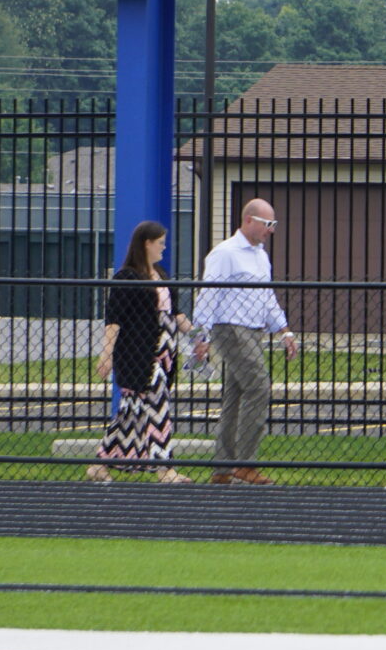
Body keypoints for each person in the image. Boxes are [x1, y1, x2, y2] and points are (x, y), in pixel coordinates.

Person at [190, 197, 300, 484]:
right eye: (267, 224)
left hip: (252, 330)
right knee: (259, 387)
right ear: (249, 220)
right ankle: (244, 464)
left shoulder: (261, 256)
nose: (271, 230)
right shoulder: (225, 253)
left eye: (273, 224)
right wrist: (201, 336)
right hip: (230, 328)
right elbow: (208, 294)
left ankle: (223, 468)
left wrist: (284, 330)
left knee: (235, 397)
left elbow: (267, 297)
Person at [92, 220, 191, 484]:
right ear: (146, 244)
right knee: (159, 409)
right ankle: (165, 469)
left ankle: (100, 464)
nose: (164, 247)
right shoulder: (127, 278)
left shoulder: (160, 274)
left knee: (131, 412)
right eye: (160, 243)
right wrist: (107, 354)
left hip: (164, 353)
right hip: (141, 356)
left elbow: (176, 313)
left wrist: (197, 336)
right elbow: (114, 320)